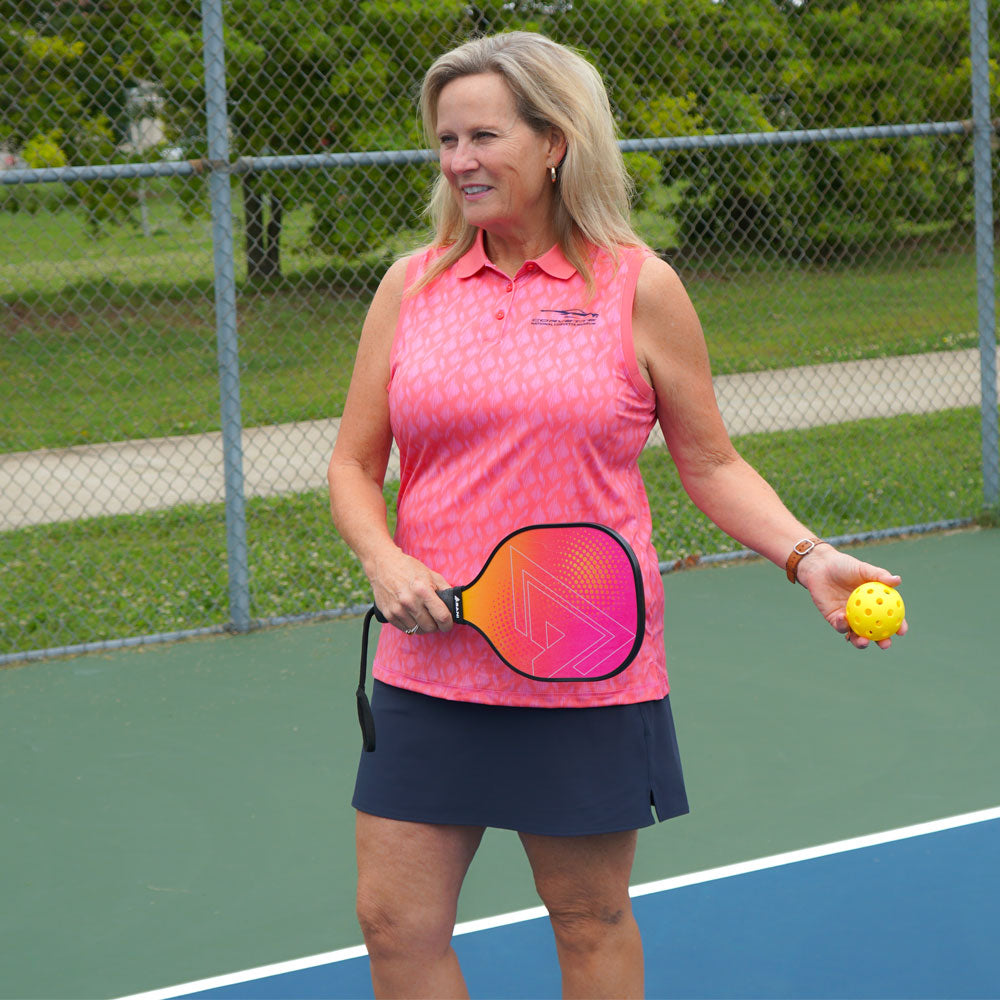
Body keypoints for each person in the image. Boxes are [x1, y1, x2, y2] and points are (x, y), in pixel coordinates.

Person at [327, 30, 906, 1000]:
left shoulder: (637, 287)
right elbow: (352, 464)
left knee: (588, 922)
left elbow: (710, 463)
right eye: (444, 139)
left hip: (584, 657)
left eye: (482, 136)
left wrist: (806, 556)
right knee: (394, 923)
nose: (457, 161)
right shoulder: (412, 286)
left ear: (555, 141)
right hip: (429, 661)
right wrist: (384, 558)